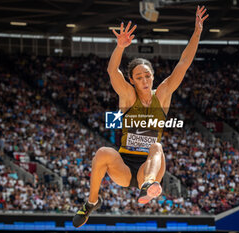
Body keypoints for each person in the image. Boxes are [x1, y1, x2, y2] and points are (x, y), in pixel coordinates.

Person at [73, 5, 208, 228]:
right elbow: (112, 71)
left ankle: (148, 186)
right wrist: (119, 47)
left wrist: (197, 32)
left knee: (157, 147)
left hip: (150, 167)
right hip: (125, 166)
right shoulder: (127, 96)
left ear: (153, 77)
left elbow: (183, 63)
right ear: (132, 80)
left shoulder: (163, 95)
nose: (144, 80)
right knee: (103, 152)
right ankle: (92, 202)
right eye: (139, 77)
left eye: (147, 75)